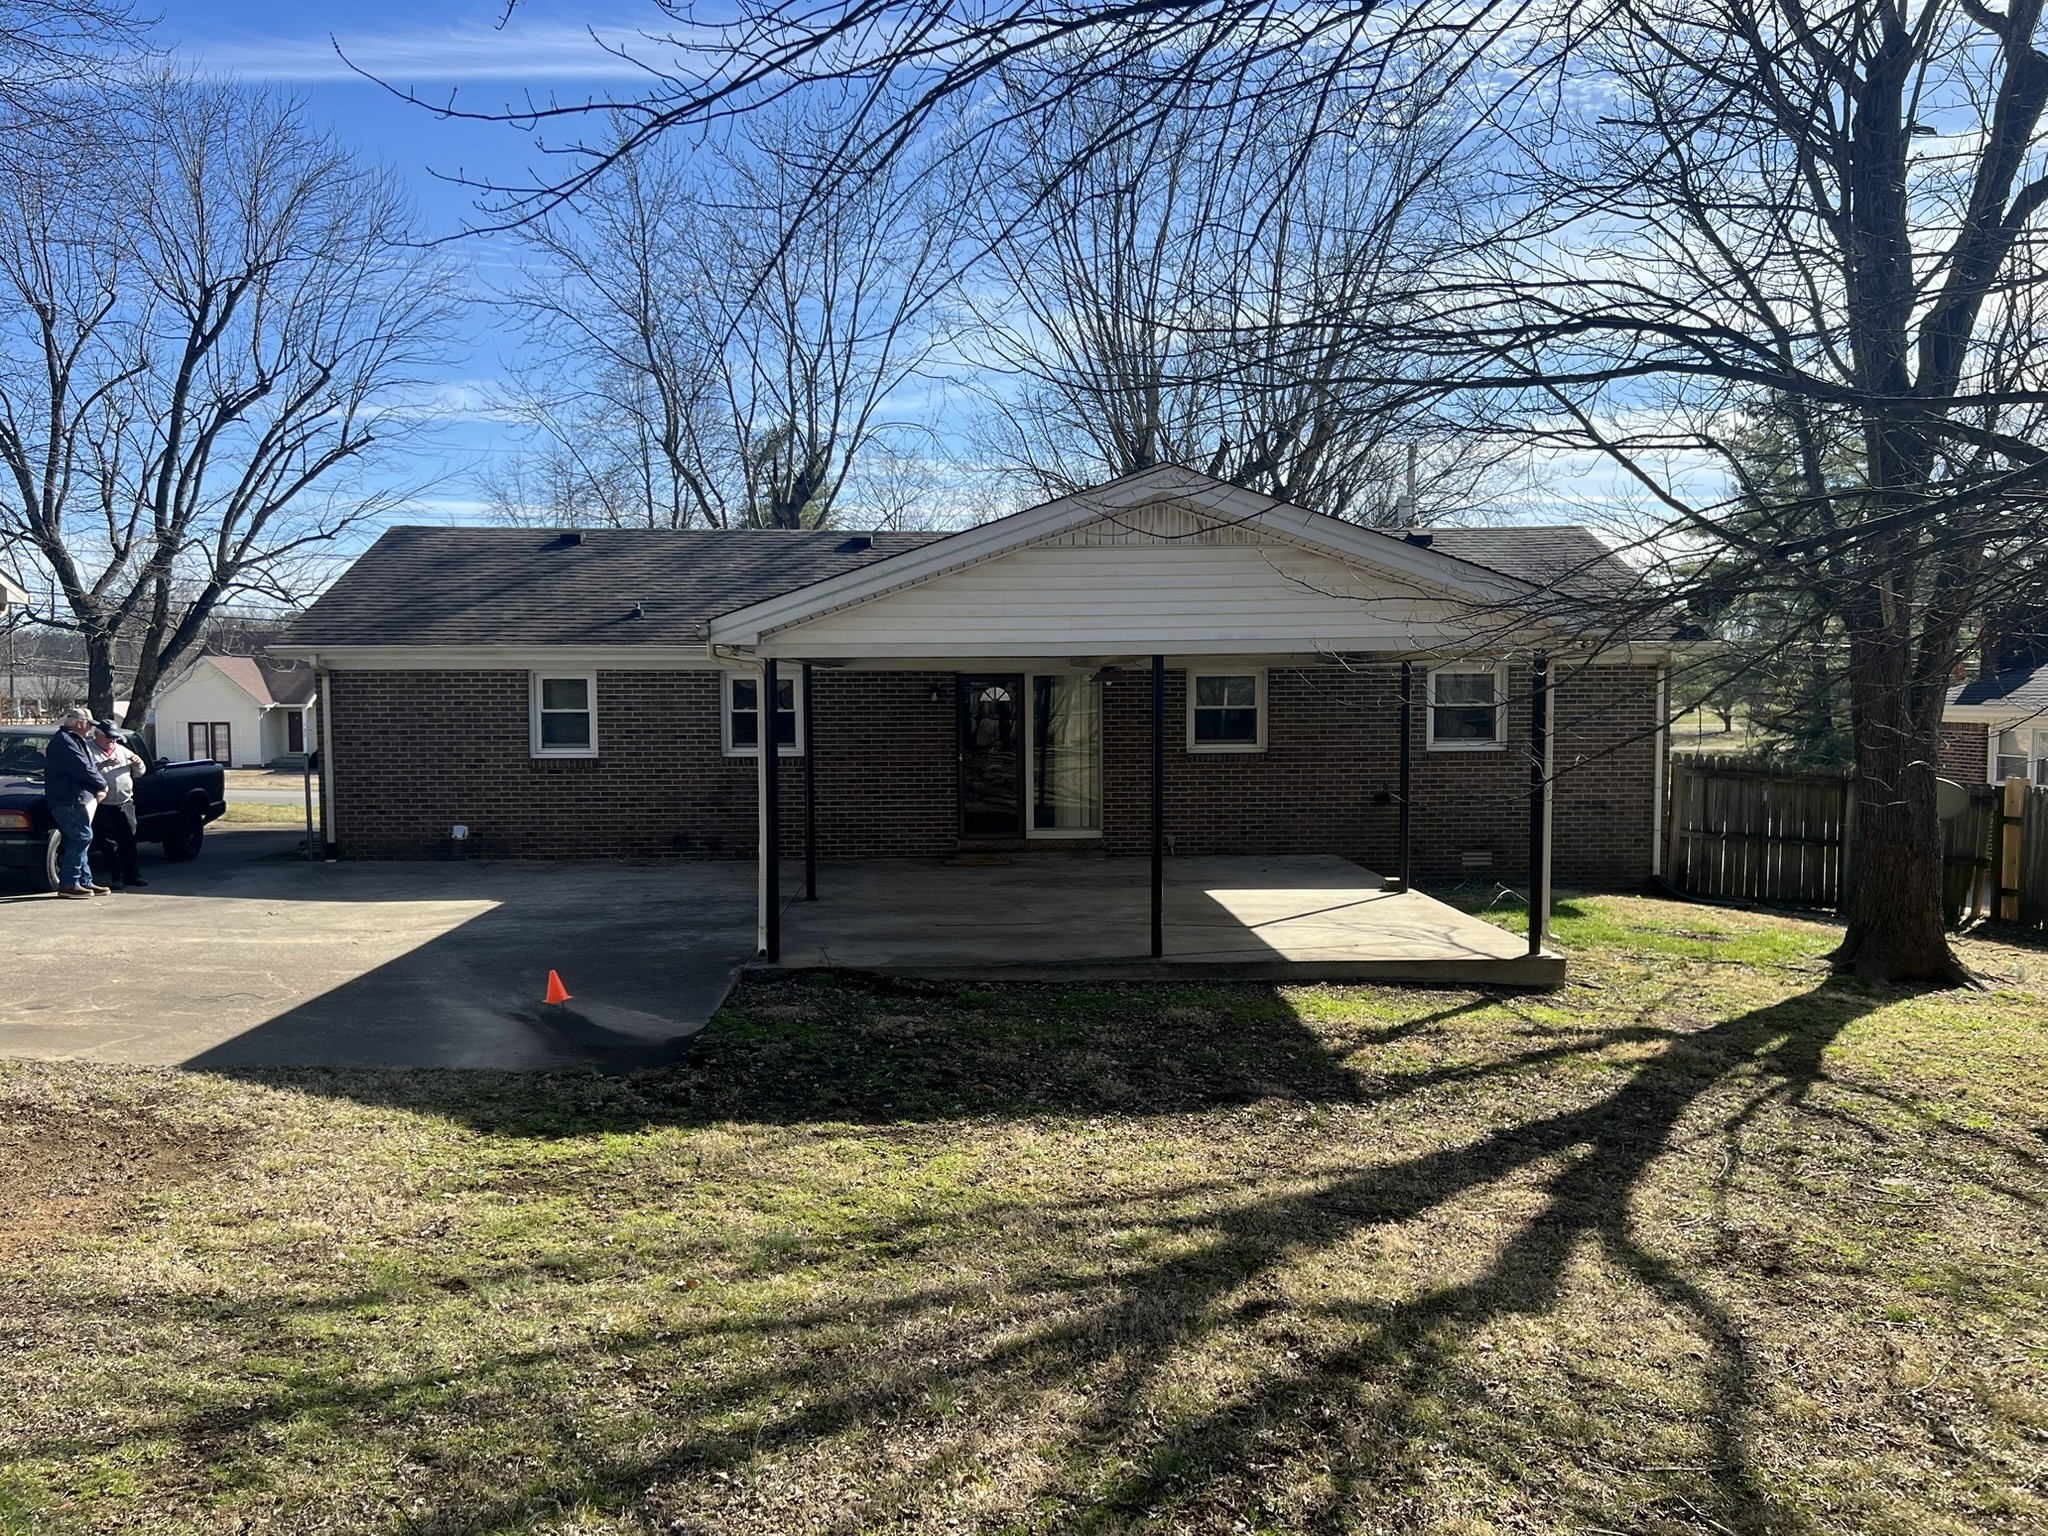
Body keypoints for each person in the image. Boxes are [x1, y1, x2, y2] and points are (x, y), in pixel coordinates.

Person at [44, 706, 107, 898]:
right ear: (80, 723)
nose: (91, 729)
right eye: (89, 725)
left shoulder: (71, 740)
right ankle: (69, 883)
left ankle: (84, 881)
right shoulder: (65, 742)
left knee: (79, 838)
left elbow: (88, 766)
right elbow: (83, 768)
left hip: (74, 797)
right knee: (81, 837)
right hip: (67, 799)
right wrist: (102, 784)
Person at [90, 719, 148, 889]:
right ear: (97, 735)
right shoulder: (88, 751)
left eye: (115, 738)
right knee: (108, 843)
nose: (112, 741)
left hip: (125, 803)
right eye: (108, 737)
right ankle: (116, 876)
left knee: (129, 840)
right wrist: (104, 764)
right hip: (103, 805)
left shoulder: (122, 750)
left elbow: (139, 773)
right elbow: (85, 771)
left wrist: (138, 763)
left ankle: (133, 875)